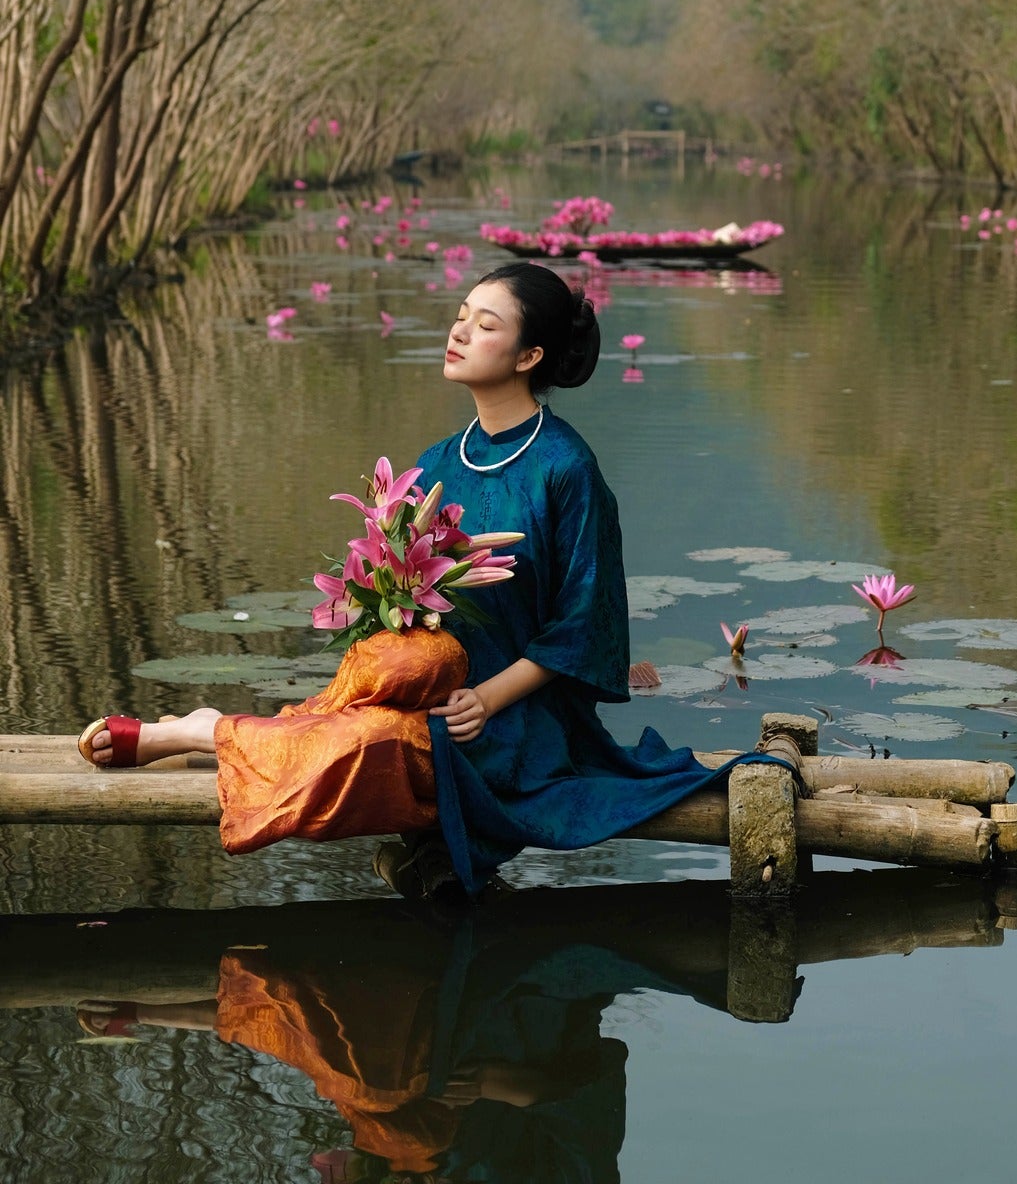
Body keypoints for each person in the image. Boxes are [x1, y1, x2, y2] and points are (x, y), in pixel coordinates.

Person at [76, 260, 786, 881]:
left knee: (372, 746)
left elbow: (584, 631)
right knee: (363, 726)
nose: (458, 333)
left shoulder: (567, 471)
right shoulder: (440, 462)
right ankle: (210, 728)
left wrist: (488, 699)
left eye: (483, 325)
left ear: (529, 355)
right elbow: (403, 599)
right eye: (458, 318)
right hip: (422, 686)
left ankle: (199, 732)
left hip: (510, 721)